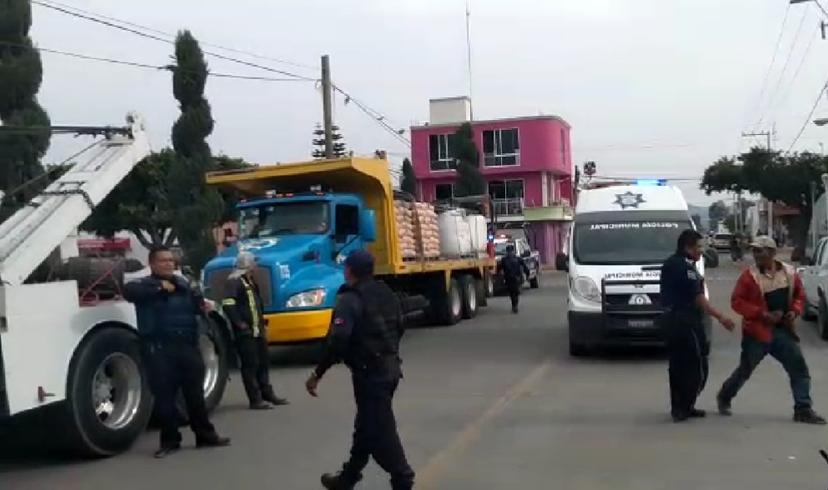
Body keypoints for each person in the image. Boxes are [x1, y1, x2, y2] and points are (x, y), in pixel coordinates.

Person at [305, 250, 415, 490]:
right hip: (391, 369)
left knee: (381, 432)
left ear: (350, 271)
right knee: (365, 425)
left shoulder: (349, 299)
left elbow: (338, 340)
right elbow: (400, 326)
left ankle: (402, 478)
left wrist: (318, 373)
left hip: (370, 375)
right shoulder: (387, 293)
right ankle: (348, 477)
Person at [123, 245, 230, 458]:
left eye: (171, 260)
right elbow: (129, 292)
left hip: (188, 347)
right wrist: (160, 288)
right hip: (161, 350)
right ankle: (170, 441)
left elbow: (196, 307)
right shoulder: (144, 286)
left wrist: (203, 306)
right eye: (163, 260)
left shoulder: (183, 284)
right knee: (165, 399)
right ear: (152, 264)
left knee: (195, 396)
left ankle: (205, 435)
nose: (168, 264)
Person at [717, 236, 826, 424]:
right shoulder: (749, 276)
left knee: (799, 369)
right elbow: (737, 302)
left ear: (772, 253)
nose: (756, 254)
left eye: (761, 250)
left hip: (783, 330)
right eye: (755, 251)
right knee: (745, 370)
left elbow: (800, 296)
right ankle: (725, 396)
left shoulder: (789, 274)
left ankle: (803, 408)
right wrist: (761, 314)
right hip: (757, 332)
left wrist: (794, 311)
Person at [660, 229, 736, 422]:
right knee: (695, 365)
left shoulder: (671, 262)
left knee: (678, 365)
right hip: (685, 321)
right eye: (698, 247)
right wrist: (721, 317)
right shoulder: (685, 267)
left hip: (673, 319)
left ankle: (683, 407)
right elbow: (698, 298)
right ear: (688, 247)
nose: (701, 251)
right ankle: (683, 406)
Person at [222, 251, 288, 410]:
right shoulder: (234, 282)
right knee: (250, 365)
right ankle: (255, 399)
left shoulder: (251, 282)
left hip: (258, 330)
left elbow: (255, 305)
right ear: (248, 265)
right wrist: (239, 324)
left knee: (263, 362)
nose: (256, 266)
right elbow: (228, 304)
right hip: (245, 333)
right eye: (254, 263)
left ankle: (267, 394)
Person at [499, 244, 530, 314]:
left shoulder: (507, 259)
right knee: (514, 293)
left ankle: (514, 306)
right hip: (514, 278)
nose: (509, 253)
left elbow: (500, 269)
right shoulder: (515, 259)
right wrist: (527, 275)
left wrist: (527, 274)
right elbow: (525, 268)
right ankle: (514, 305)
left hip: (511, 278)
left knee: (513, 293)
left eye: (510, 251)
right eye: (509, 251)